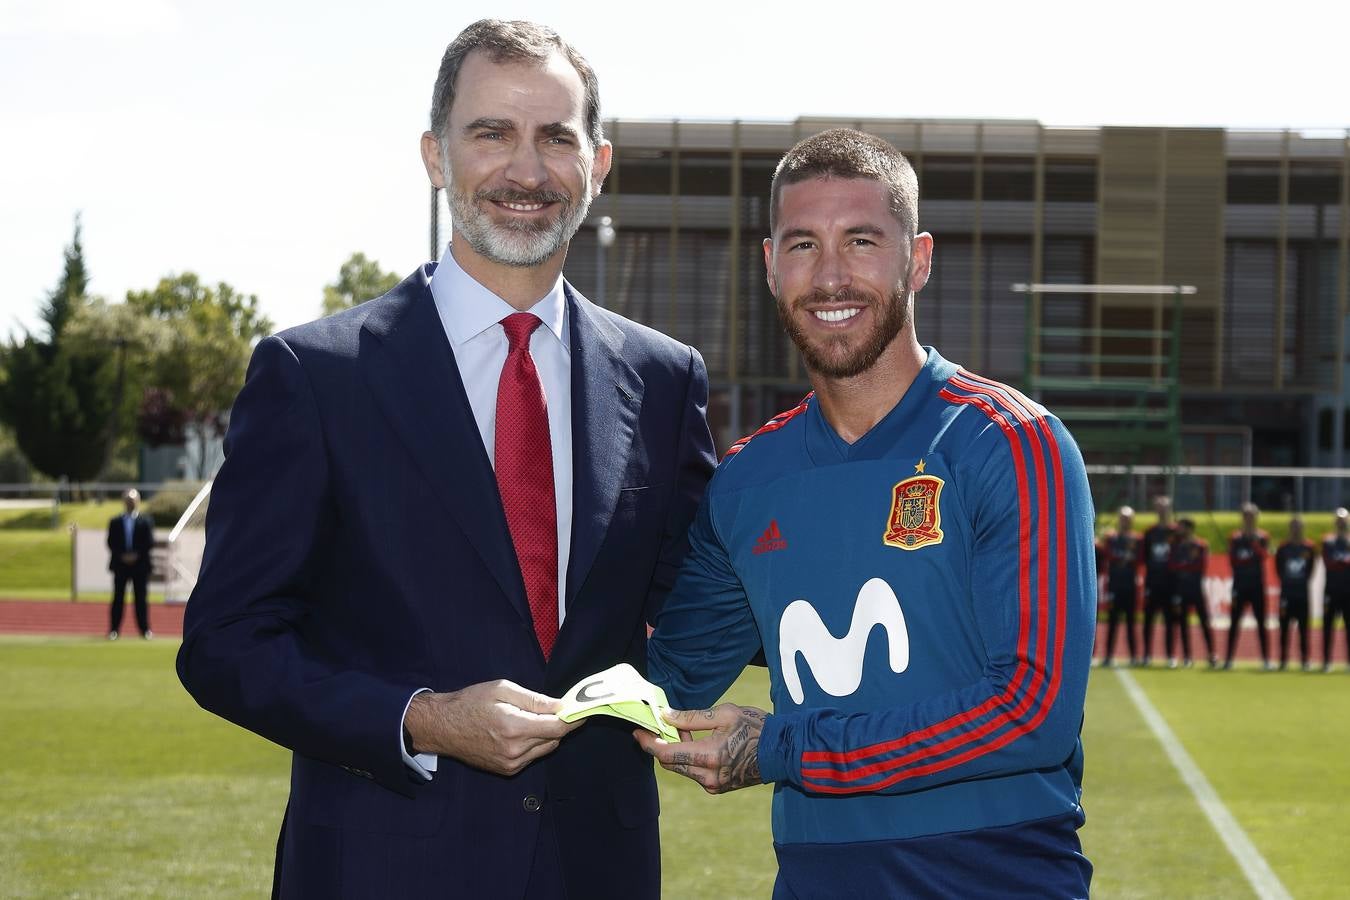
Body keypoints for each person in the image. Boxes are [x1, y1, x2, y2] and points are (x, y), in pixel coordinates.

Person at [175, 19, 715, 899]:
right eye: (491, 132)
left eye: (555, 138)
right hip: (378, 865)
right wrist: (418, 720)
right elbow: (225, 647)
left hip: (597, 869)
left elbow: (705, 596)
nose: (526, 170)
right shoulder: (316, 376)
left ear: (598, 164)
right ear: (435, 155)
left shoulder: (661, 378)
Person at [637, 129, 1096, 897]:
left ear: (917, 258)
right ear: (769, 266)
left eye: (861, 241)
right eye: (803, 245)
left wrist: (789, 750)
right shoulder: (747, 481)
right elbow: (665, 680)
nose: (831, 276)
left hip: (999, 876)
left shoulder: (1011, 443)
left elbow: (1031, 713)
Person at [1225, 502, 1272, 669]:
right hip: (1239, 585)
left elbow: (1264, 556)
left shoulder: (1262, 537)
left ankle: (1266, 659)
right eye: (1246, 516)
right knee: (1234, 622)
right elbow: (1233, 560)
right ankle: (1228, 659)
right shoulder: (1235, 538)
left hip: (1257, 586)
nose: (1249, 519)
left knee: (1261, 622)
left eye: (1252, 516)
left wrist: (1254, 544)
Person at [1167, 517, 1217, 668]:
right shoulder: (1175, 546)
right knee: (1182, 623)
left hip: (1195, 588)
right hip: (1181, 589)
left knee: (1204, 621)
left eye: (1181, 527)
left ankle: (1212, 653)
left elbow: (1199, 566)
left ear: (1188, 528)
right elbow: (1172, 565)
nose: (1177, 530)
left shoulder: (1200, 545)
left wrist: (1183, 566)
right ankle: (1187, 656)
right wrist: (1185, 565)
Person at [106, 488, 154, 640]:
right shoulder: (115, 522)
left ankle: (144, 630)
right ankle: (114, 630)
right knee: (118, 598)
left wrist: (136, 555)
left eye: (132, 501)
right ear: (123, 502)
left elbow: (149, 542)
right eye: (128, 501)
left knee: (141, 599)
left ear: (138, 502)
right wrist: (123, 555)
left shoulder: (146, 521)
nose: (130, 503)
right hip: (121, 565)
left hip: (140, 566)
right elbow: (111, 542)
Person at [1097, 505, 1142, 666]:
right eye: (1123, 518)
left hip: (1130, 585)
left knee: (1131, 622)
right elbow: (1108, 556)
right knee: (1112, 622)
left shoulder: (1137, 539)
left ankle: (1134, 656)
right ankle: (1108, 655)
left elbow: (1139, 559)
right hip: (1114, 585)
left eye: (1128, 519)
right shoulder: (1112, 539)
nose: (1125, 521)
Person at [1140, 495, 1178, 666]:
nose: (1162, 510)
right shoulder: (1150, 533)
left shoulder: (1176, 532)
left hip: (1170, 583)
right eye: (1159, 507)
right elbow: (1144, 558)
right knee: (1148, 620)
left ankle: (1170, 655)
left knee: (1171, 620)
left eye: (1165, 507)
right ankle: (1146, 654)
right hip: (1153, 582)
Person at [1275, 517, 1316, 670]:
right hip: (1286, 594)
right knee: (1284, 628)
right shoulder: (1283, 548)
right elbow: (1278, 569)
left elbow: (1311, 570)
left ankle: (1305, 659)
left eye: (1299, 527)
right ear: (1289, 529)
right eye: (1294, 527)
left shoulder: (1309, 548)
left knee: (1304, 629)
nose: (1296, 530)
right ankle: (1283, 659)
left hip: (1302, 594)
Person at [1323, 507, 1350, 672]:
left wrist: (1340, 561)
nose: (1341, 523)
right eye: (1338, 520)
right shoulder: (1328, 542)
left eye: (1344, 520)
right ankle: (1327, 661)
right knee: (1328, 627)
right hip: (1331, 590)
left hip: (1348, 591)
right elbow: (1329, 563)